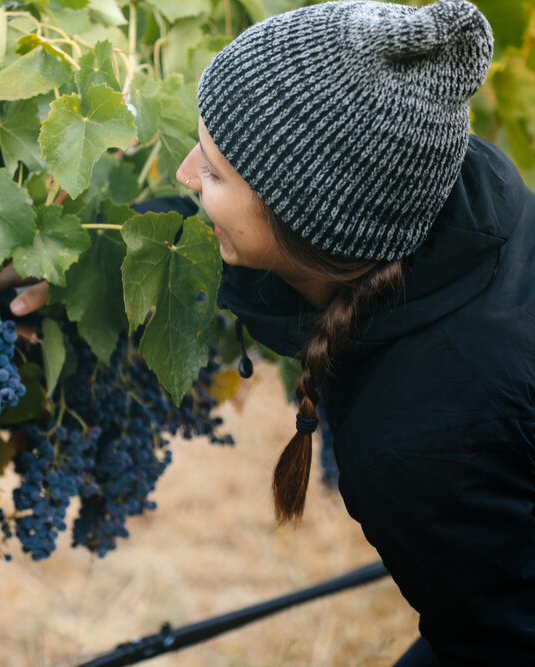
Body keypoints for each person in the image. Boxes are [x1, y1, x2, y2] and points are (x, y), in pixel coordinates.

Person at [177, 0, 534, 665]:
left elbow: (497, 646)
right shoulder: (442, 189)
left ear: (304, 227)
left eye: (214, 173)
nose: (183, 173)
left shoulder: (417, 439)